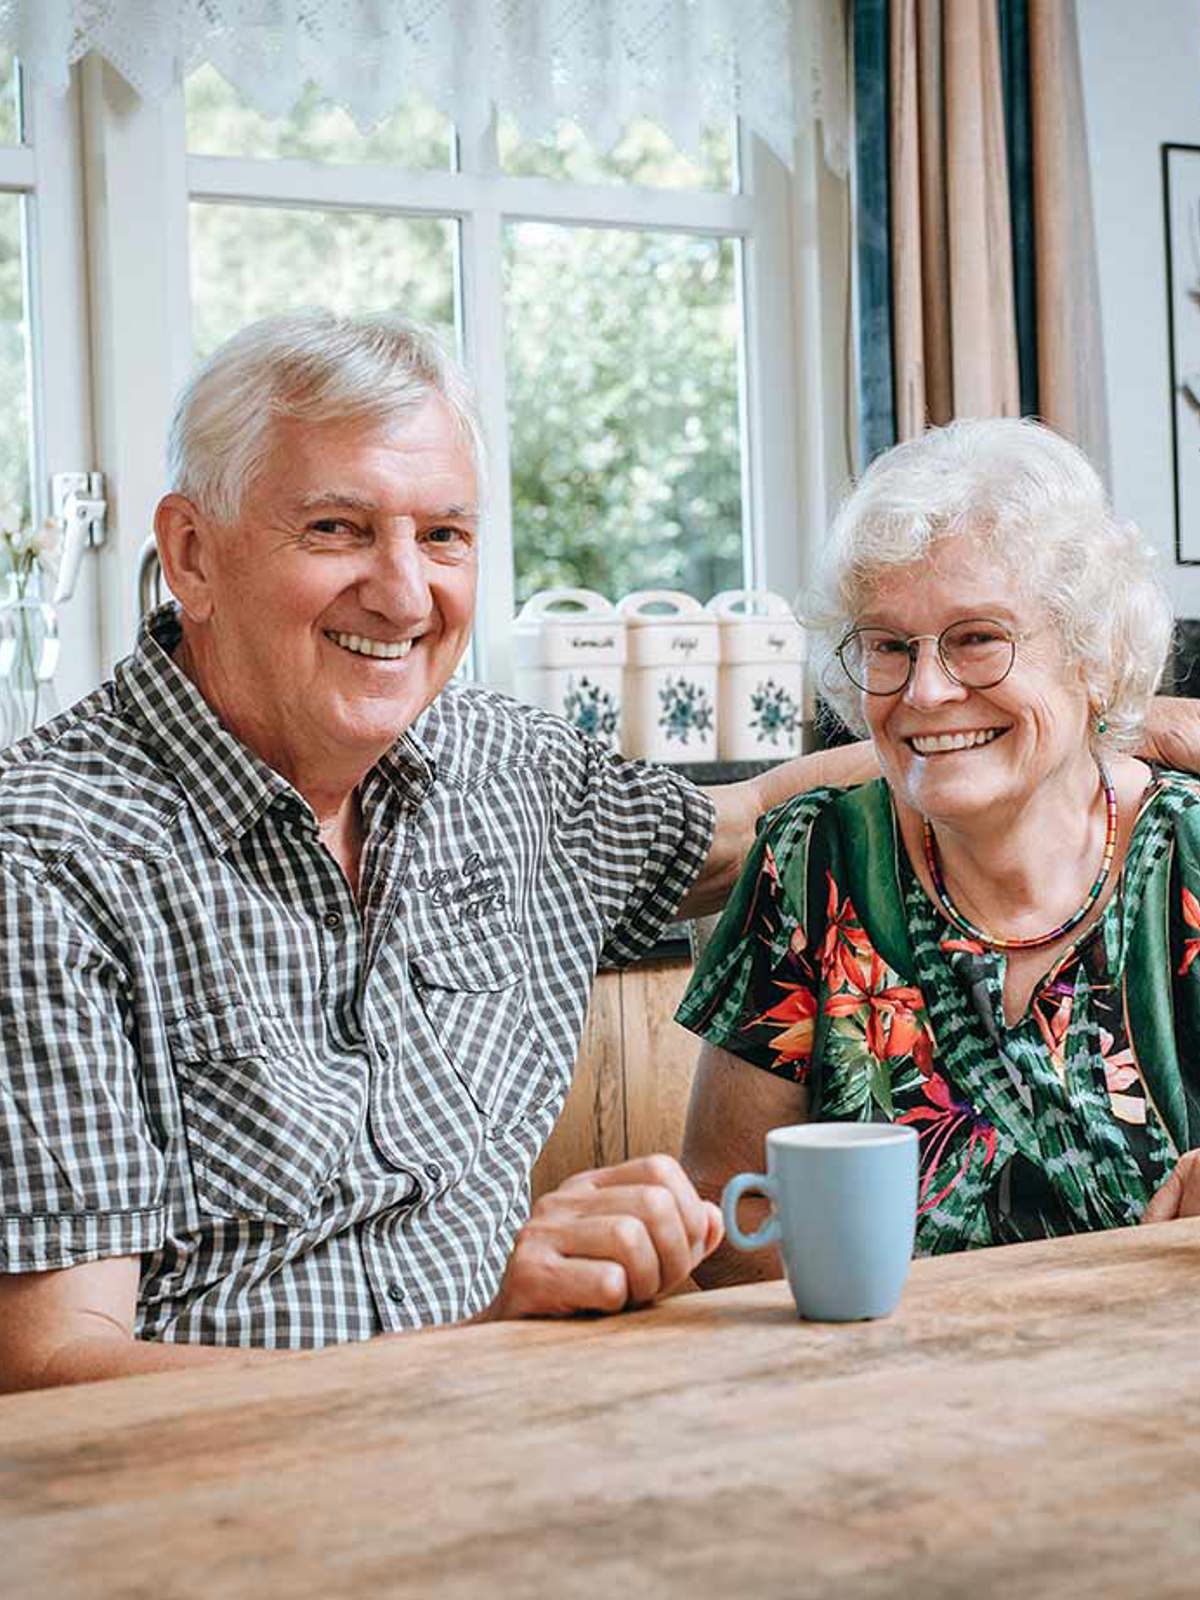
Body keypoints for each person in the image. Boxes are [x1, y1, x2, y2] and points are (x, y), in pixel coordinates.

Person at [0, 309, 888, 1392]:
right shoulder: (43, 855)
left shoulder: (508, 772)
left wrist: (1110, 724)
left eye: (445, 536)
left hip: (510, 1436)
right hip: (220, 1512)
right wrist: (471, 1341)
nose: (405, 592)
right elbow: (49, 1368)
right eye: (336, 528)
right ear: (191, 552)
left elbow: (752, 821)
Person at [679, 417, 1200, 1284]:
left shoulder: (1191, 854)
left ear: (1093, 656)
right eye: (888, 646)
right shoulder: (814, 860)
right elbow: (729, 1205)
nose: (925, 691)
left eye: (977, 639)